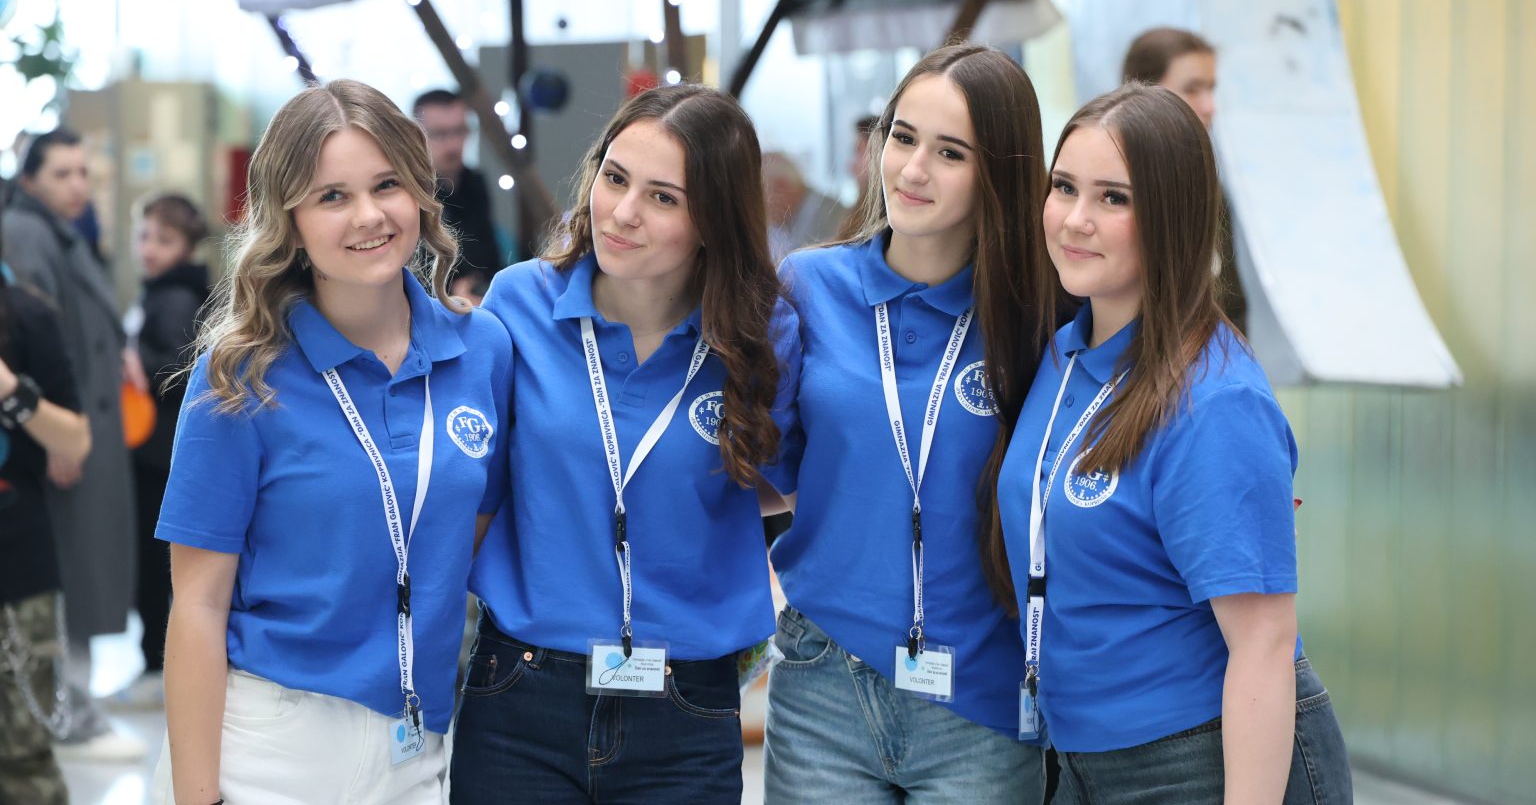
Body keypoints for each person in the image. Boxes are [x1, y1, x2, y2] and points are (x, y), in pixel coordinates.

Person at [151, 79, 512, 805]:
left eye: (387, 185)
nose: (369, 215)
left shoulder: (484, 351)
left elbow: (460, 537)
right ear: (290, 221)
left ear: (421, 192)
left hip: (416, 747)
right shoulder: (239, 375)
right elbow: (197, 606)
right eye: (332, 196)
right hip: (268, 747)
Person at [995, 82, 1351, 803]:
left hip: (1201, 756)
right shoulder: (1065, 355)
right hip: (1079, 757)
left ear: (1172, 216)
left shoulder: (1214, 401)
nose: (1075, 219)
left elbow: (1263, 643)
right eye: (1064, 187)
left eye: (1114, 198)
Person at [452, 84, 798, 804]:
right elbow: (479, 481)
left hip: (686, 705)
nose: (623, 212)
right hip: (520, 691)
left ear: (714, 220)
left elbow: (785, 482)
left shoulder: (761, 335)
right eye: (614, 178)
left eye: (663, 197)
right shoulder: (518, 304)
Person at [764, 42, 1061, 803]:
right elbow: (777, 472)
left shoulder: (1042, 316)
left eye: (950, 153)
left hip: (984, 692)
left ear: (1000, 173)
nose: (912, 170)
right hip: (824, 677)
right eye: (902, 137)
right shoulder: (808, 287)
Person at [3, 129, 143, 759]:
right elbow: (33, 349)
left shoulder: (60, 232)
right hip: (60, 437)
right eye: (61, 173)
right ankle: (67, 715)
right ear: (29, 178)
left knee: (81, 574)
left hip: (80, 430)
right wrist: (58, 441)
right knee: (69, 576)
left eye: (83, 172)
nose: (77, 185)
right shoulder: (26, 233)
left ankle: (70, 709)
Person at [0, 218, 94, 805]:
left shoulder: (27, 314)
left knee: (23, 757)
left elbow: (76, 441)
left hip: (16, 561)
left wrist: (12, 391)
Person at [109, 194, 212, 711]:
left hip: (160, 454)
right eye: (144, 236)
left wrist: (136, 363)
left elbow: (176, 369)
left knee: (156, 565)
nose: (149, 248)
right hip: (162, 450)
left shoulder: (173, 296)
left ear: (187, 247)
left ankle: (156, 665)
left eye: (164, 240)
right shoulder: (168, 290)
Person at [1121, 26, 1246, 330]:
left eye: (1211, 89)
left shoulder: (1210, 191)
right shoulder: (1112, 186)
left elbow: (1232, 306)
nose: (1209, 106)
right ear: (1145, 92)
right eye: (1192, 89)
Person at [413, 89, 502, 302]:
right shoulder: (411, 192)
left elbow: (490, 257)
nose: (453, 145)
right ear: (416, 136)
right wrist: (453, 293)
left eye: (460, 131)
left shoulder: (475, 182)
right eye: (440, 134)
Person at [762, 151, 846, 262]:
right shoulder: (787, 218)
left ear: (781, 187)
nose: (761, 208)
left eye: (761, 195)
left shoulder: (827, 213)